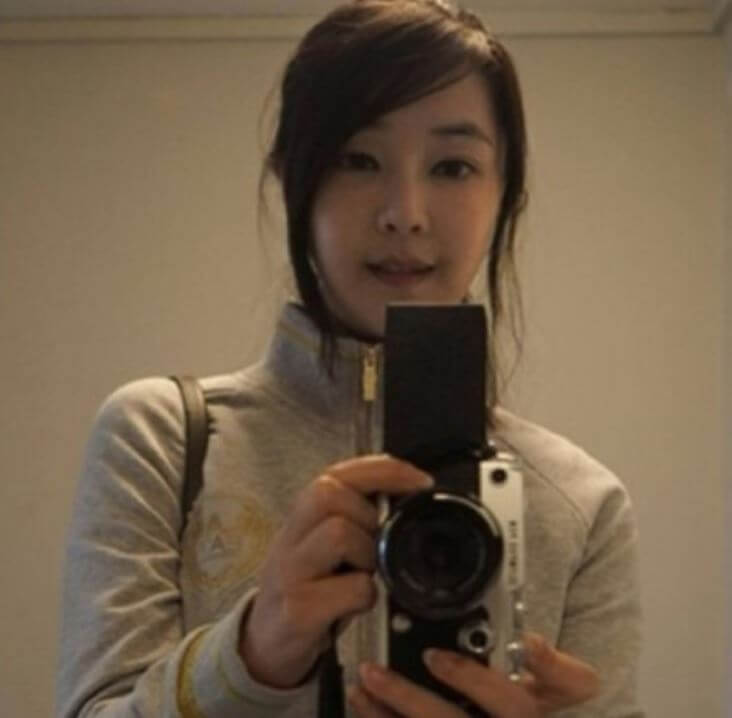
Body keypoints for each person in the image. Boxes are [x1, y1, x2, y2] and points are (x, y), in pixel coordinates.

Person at [55, 1, 643, 716]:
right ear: (295, 180)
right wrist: (250, 655)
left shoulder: (582, 505)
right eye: (358, 160)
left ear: (504, 195)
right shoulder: (163, 439)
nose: (406, 213)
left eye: (454, 166)